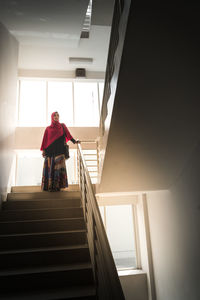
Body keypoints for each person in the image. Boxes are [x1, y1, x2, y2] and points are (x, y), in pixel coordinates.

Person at [40, 111, 80, 192]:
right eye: (54, 115)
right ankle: (49, 187)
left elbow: (68, 135)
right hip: (50, 152)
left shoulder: (62, 126)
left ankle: (58, 186)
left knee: (58, 169)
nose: (56, 117)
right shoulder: (48, 129)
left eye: (58, 115)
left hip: (60, 151)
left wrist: (74, 141)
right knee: (50, 168)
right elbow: (45, 140)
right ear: (52, 117)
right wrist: (43, 150)